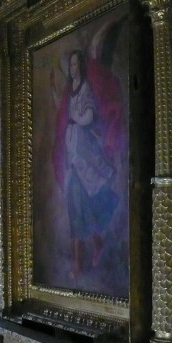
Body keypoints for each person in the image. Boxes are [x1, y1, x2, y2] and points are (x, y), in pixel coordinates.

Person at [51, 48, 121, 279]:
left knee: (79, 208)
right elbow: (63, 112)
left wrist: (75, 119)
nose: (73, 69)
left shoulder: (85, 89)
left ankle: (78, 263)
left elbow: (90, 115)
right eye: (70, 65)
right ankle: (96, 246)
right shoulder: (70, 91)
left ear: (81, 66)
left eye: (75, 64)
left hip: (83, 158)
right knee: (79, 208)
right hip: (73, 158)